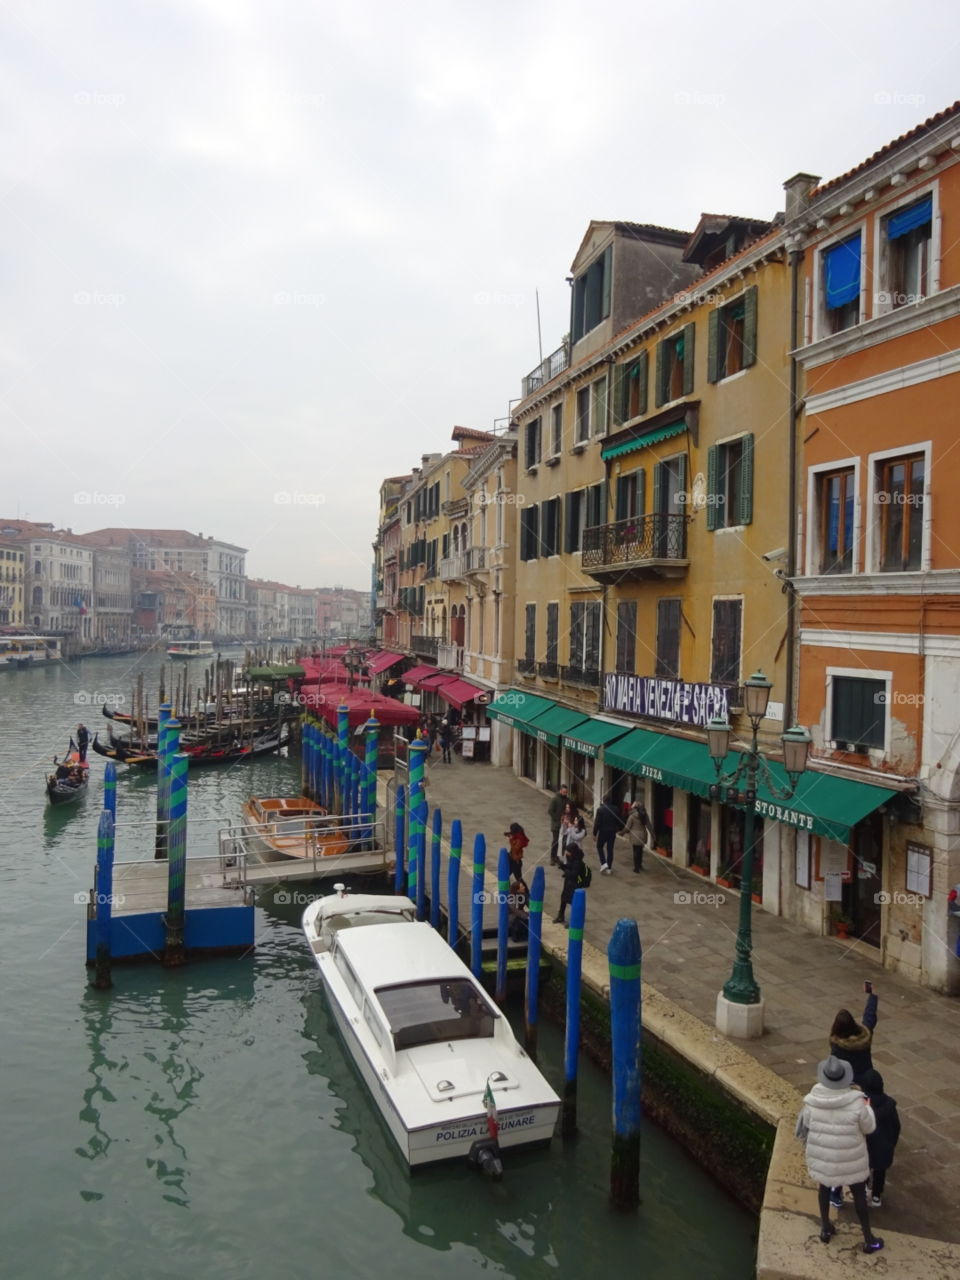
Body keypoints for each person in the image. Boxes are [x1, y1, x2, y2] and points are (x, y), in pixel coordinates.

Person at [796, 1055, 883, 1253]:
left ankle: (825, 1228)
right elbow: (869, 1128)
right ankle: (869, 1239)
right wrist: (868, 1109)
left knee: (824, 1188)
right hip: (851, 1158)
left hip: (824, 1157)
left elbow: (808, 1125)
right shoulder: (858, 1103)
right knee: (859, 1195)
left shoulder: (811, 1102)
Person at [859, 1069, 901, 1207]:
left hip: (866, 1146)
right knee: (880, 1172)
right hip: (884, 1147)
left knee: (864, 1170)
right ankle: (877, 1197)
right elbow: (896, 1126)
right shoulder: (889, 1104)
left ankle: (864, 1191)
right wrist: (891, 1143)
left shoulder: (864, 1103)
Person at [829, 987, 879, 1085]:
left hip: (849, 1083)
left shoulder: (838, 1047)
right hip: (867, 1079)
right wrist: (873, 996)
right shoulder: (864, 1036)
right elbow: (870, 1016)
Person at [553, 816, 586, 925]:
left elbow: (573, 873)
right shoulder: (570, 858)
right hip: (568, 882)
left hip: (575, 883)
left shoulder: (578, 862)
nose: (566, 853)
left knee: (572, 901)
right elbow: (564, 832)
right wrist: (562, 866)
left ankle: (573, 920)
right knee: (563, 898)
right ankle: (560, 915)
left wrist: (566, 871)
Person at [619, 799, 655, 872]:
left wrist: (622, 833)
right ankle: (640, 865)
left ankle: (636, 868)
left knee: (635, 851)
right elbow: (649, 826)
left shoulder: (632, 816)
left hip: (635, 836)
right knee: (640, 850)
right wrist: (653, 835)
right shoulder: (645, 815)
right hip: (643, 835)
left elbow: (627, 827)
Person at [593, 794, 623, 874]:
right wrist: (618, 829)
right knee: (610, 849)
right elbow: (619, 821)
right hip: (612, 832)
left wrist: (594, 833)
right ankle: (609, 868)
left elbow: (597, 823)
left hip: (603, 832)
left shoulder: (600, 810)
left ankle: (603, 863)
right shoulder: (616, 809)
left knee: (599, 846)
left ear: (603, 800)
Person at [548, 784, 569, 865]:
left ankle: (557, 857)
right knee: (555, 841)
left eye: (566, 792)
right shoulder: (555, 799)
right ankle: (552, 858)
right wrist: (558, 819)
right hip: (556, 825)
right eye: (564, 792)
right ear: (560, 791)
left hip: (564, 825)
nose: (565, 793)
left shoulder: (567, 800)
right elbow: (550, 811)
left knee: (562, 842)